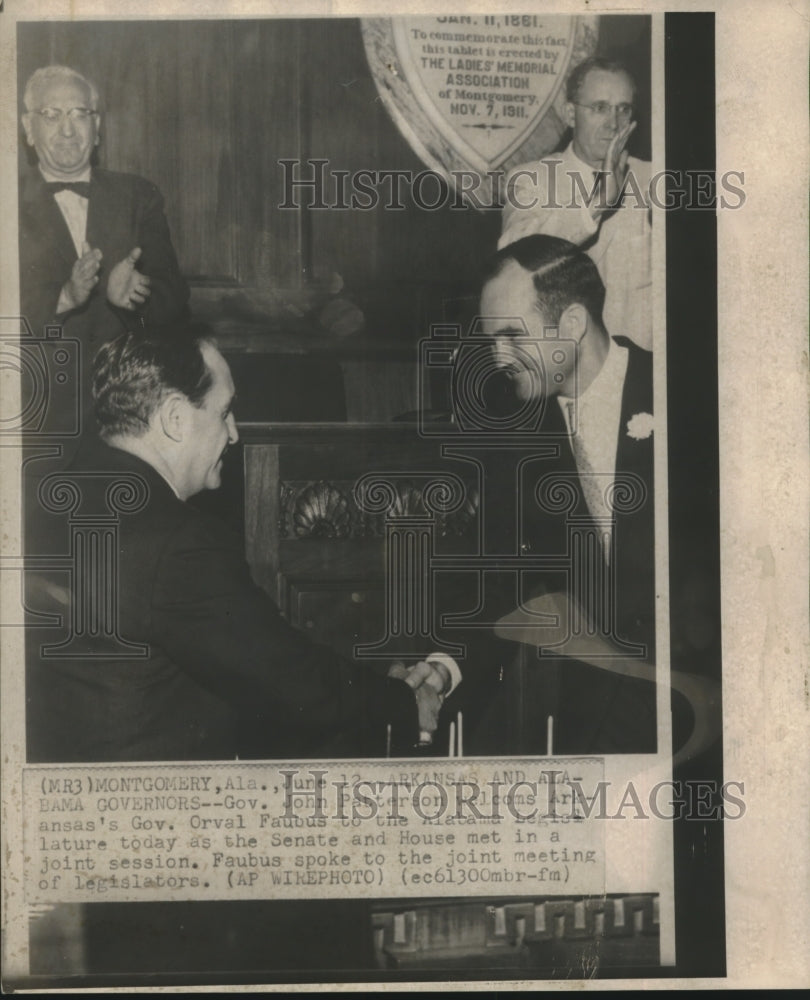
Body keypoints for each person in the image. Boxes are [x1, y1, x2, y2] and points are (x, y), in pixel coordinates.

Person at [25, 326, 458, 762]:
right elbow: (289, 679)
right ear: (176, 419)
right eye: (224, 412)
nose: (233, 434)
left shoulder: (49, 503)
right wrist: (401, 701)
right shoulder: (177, 541)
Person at [471, 233, 657, 754]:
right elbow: (499, 587)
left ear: (571, 325)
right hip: (593, 732)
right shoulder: (513, 439)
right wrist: (443, 671)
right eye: (490, 340)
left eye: (511, 335)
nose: (498, 357)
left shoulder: (689, 398)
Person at [18, 65, 189, 443]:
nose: (67, 129)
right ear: (28, 129)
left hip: (128, 416)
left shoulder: (138, 197)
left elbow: (173, 301)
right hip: (34, 418)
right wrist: (63, 298)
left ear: (98, 130)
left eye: (81, 114)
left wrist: (134, 298)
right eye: (51, 115)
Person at [499, 57, 652, 352]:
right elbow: (512, 257)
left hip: (642, 375)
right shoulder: (530, 179)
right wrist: (596, 206)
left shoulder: (654, 178)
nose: (614, 123)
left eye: (623, 109)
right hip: (567, 368)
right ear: (571, 114)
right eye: (599, 108)